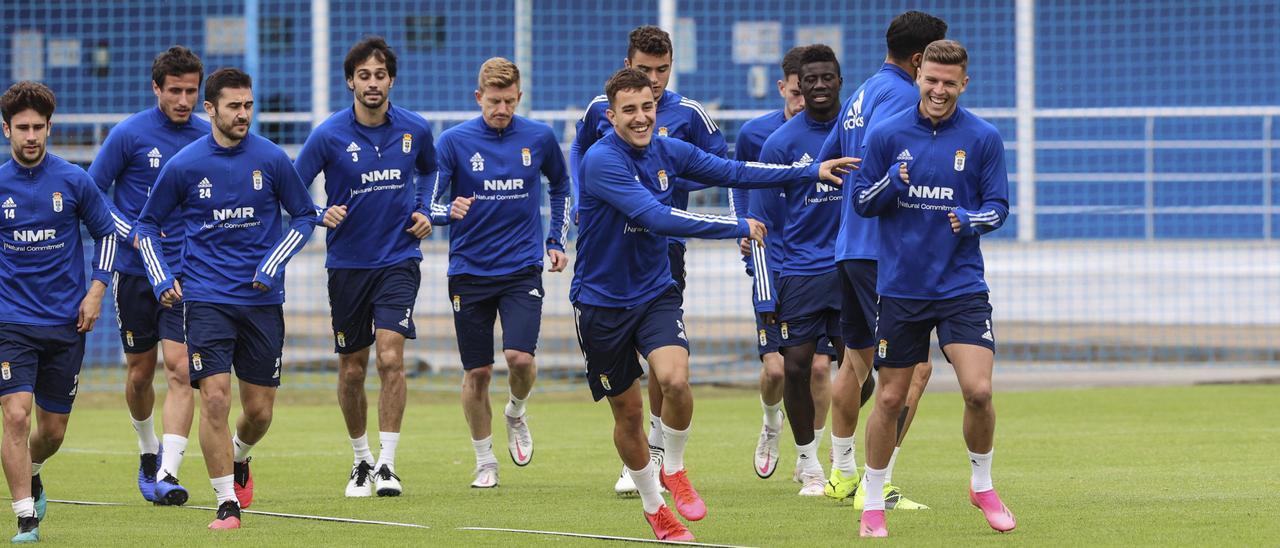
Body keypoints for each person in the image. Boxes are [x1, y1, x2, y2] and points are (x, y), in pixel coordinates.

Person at [573, 68, 857, 541]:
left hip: (653, 293)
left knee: (675, 381)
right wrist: (736, 226)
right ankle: (654, 507)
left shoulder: (667, 149)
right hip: (600, 304)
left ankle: (677, 470)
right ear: (611, 116)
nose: (642, 118)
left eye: (648, 108)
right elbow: (655, 217)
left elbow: (736, 171)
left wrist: (810, 170)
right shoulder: (602, 161)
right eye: (630, 111)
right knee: (626, 414)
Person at [133, 68, 323, 530]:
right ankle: (226, 503)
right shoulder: (185, 165)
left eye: (249, 106)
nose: (243, 114)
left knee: (258, 411)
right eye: (234, 106)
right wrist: (161, 280)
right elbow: (145, 226)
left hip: (261, 303)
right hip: (206, 299)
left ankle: (241, 456)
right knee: (215, 399)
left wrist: (272, 263)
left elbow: (304, 216)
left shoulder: (273, 159)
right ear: (211, 109)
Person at [850, 40, 1014, 537]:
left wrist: (971, 219)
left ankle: (981, 485)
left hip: (961, 286)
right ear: (918, 74)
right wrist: (891, 187)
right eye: (931, 80)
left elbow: (999, 207)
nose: (939, 90)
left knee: (979, 391)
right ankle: (873, 500)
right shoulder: (886, 134)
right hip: (902, 287)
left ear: (965, 83)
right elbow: (861, 201)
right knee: (890, 398)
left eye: (950, 83)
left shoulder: (983, 137)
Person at [569, 26, 728, 493]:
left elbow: (716, 165)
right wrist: (584, 195)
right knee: (627, 396)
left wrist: (663, 189)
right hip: (606, 267)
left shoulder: (688, 114)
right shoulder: (602, 110)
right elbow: (581, 148)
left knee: (669, 368)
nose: (654, 80)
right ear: (627, 63)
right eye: (645, 69)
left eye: (662, 71)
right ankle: (641, 458)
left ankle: (661, 451)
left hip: (666, 244)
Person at [294, 36, 435, 498]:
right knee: (352, 369)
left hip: (399, 259)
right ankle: (360, 461)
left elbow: (431, 171)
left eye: (380, 75)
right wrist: (319, 214)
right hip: (347, 266)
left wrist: (425, 211)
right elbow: (293, 189)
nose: (372, 83)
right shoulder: (328, 134)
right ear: (351, 81)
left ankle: (389, 465)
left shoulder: (415, 128)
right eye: (364, 75)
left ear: (391, 79)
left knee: (391, 357)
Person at [817, 10, 947, 510]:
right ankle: (879, 485)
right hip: (884, 252)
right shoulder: (902, 97)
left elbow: (830, 162)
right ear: (919, 60)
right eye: (934, 60)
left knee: (855, 363)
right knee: (912, 372)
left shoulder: (862, 93)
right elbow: (906, 167)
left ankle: (843, 473)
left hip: (849, 246)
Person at [428, 57, 570, 488]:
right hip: (469, 271)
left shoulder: (540, 137)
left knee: (520, 358)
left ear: (519, 97)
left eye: (509, 101)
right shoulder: (453, 142)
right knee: (478, 371)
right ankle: (485, 460)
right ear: (478, 98)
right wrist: (446, 212)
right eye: (493, 101)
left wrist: (555, 240)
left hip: (521, 268)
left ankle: (516, 410)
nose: (501, 109)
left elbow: (562, 186)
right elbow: (429, 203)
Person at [0, 81, 125, 543]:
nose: (31, 136)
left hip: (66, 323)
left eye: (38, 127)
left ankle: (33, 470)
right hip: (11, 320)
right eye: (22, 128)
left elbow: (108, 234)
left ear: (50, 128)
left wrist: (96, 291)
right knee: (15, 414)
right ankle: (24, 516)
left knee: (50, 431)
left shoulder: (74, 180)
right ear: (7, 129)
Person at [88, 45, 209, 506]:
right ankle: (146, 450)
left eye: (191, 92)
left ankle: (168, 473)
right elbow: (93, 194)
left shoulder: (206, 137)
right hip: (135, 272)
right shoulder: (128, 134)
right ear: (156, 88)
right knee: (141, 373)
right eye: (174, 91)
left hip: (185, 274)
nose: (184, 100)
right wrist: (133, 235)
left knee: (180, 369)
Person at [733, 46, 837, 483]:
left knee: (821, 368)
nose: (805, 96)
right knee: (777, 368)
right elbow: (746, 194)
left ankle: (807, 456)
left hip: (833, 272)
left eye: (817, 84)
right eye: (797, 89)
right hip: (778, 269)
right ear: (785, 88)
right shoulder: (762, 138)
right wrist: (746, 237)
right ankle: (771, 423)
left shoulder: (846, 131)